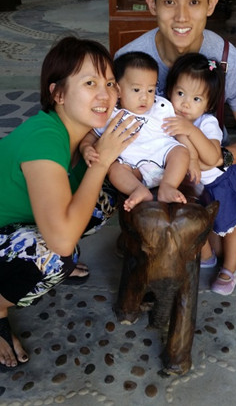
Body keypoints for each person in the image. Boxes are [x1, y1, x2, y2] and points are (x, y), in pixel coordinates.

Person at [0, 36, 139, 370]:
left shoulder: (86, 137)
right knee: (54, 253)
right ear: (58, 94)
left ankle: (29, 255)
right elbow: (61, 242)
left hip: (15, 225)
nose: (105, 94)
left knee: (103, 197)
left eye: (110, 83)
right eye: (89, 83)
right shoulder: (45, 137)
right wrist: (104, 161)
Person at [114, 0, 236, 174]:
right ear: (152, 4)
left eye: (194, 2)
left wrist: (220, 159)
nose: (182, 16)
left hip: (206, 170)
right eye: (169, 2)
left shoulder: (227, 61)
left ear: (211, 4)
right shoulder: (128, 62)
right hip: (143, 171)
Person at [163, 53, 236, 295]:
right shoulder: (168, 117)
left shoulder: (207, 123)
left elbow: (212, 157)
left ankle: (230, 269)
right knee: (201, 225)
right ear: (170, 92)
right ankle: (207, 256)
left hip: (221, 184)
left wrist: (189, 131)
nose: (186, 104)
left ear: (207, 104)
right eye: (180, 94)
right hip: (198, 187)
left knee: (229, 229)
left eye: (196, 98)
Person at [80, 52, 189, 211]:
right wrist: (86, 148)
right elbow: (91, 136)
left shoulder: (161, 108)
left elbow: (179, 132)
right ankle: (138, 189)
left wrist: (191, 157)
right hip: (131, 167)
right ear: (118, 89)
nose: (145, 97)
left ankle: (168, 187)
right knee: (114, 169)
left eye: (151, 90)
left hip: (163, 157)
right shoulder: (112, 114)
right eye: (137, 90)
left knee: (180, 152)